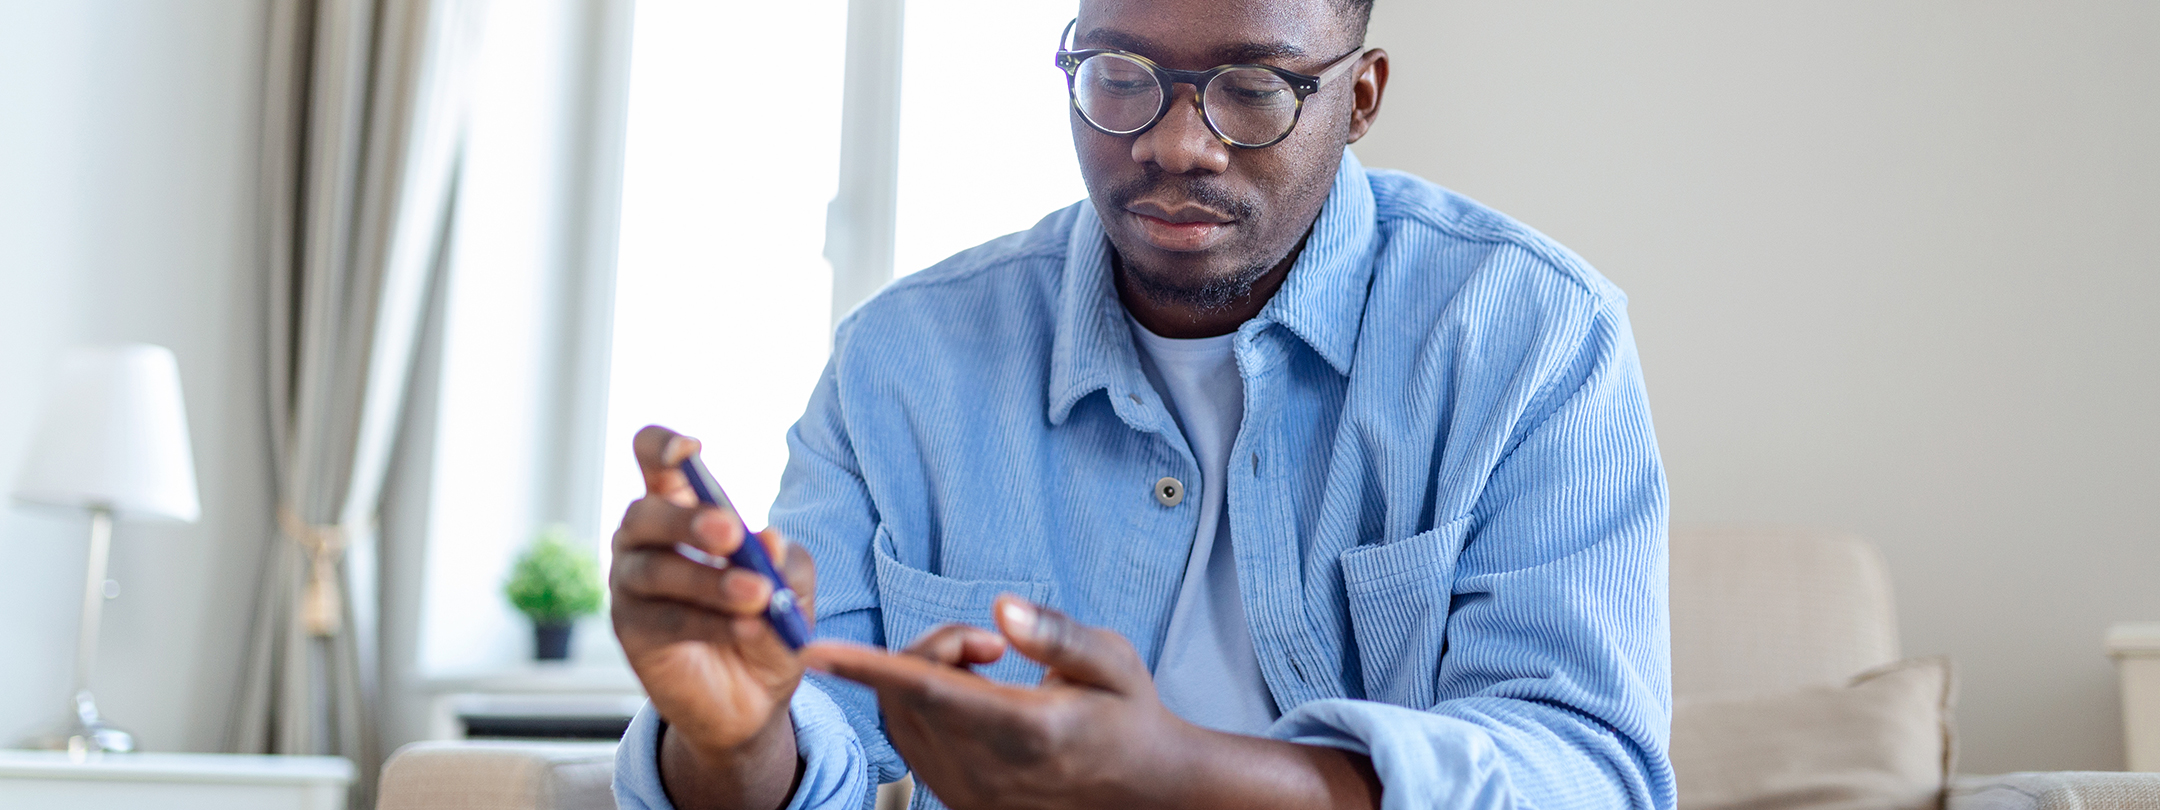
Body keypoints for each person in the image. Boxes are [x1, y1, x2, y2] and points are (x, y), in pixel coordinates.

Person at [608, 0, 1673, 807]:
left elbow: (1585, 768)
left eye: (1254, 86)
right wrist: (735, 740)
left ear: (1360, 100)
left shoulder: (1533, 335)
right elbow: (816, 746)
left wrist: (1182, 774)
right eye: (1120, 74)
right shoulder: (900, 362)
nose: (1176, 142)